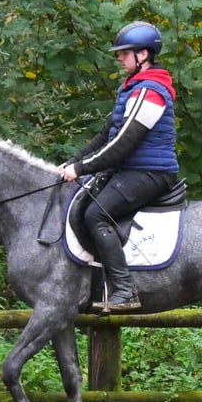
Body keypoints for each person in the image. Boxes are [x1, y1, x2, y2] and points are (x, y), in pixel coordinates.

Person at [57, 21, 179, 312]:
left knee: (97, 215)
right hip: (129, 171)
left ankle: (125, 289)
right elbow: (106, 135)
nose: (119, 58)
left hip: (151, 173)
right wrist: (74, 161)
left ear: (144, 55)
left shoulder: (151, 91)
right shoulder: (131, 88)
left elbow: (125, 143)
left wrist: (83, 168)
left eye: (125, 53)